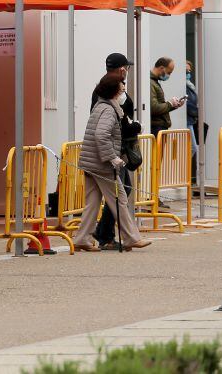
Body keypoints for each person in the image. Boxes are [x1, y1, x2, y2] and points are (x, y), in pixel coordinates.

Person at [73, 74, 151, 252]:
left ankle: (82, 238)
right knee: (120, 199)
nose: (124, 90)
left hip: (90, 162)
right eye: (122, 88)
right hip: (102, 165)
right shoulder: (109, 110)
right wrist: (112, 157)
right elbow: (101, 135)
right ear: (114, 91)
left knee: (92, 203)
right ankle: (131, 237)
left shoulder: (100, 106)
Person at [92, 53, 138, 250]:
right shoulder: (112, 92)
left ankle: (98, 233)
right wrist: (135, 127)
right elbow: (114, 124)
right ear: (121, 69)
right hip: (110, 152)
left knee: (98, 197)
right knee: (121, 191)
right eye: (126, 67)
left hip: (107, 150)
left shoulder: (101, 88)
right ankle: (111, 235)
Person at [150, 57, 185, 135]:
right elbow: (153, 107)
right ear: (162, 68)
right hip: (156, 128)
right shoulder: (151, 83)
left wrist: (174, 105)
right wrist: (170, 104)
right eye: (169, 73)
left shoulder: (154, 82)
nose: (169, 75)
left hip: (159, 127)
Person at [185, 60, 199, 183]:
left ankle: (184, 175)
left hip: (190, 120)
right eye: (185, 71)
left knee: (192, 148)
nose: (188, 73)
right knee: (192, 148)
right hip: (186, 119)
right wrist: (197, 111)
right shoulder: (184, 86)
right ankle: (183, 174)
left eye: (189, 70)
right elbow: (188, 104)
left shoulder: (190, 85)